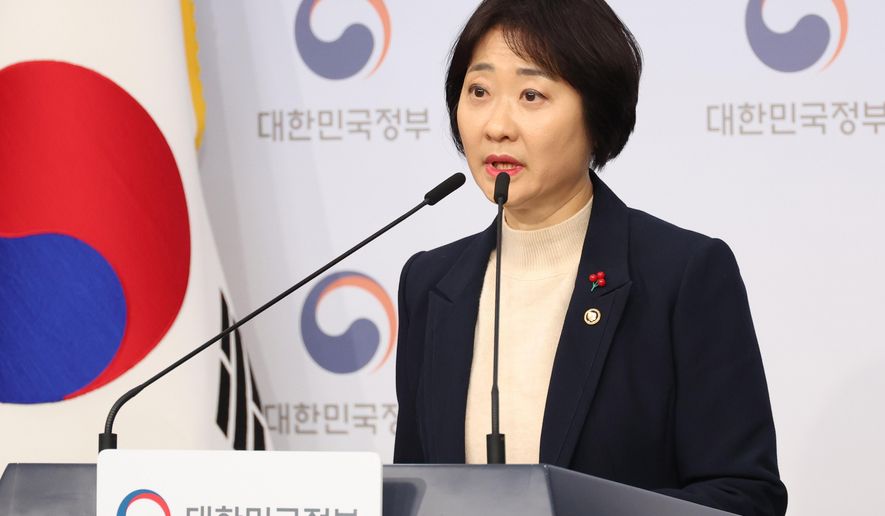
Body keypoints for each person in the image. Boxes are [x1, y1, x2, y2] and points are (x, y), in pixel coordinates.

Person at [393, 0, 787, 514]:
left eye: (532, 94)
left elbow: (743, 495)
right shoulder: (429, 282)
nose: (497, 126)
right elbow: (410, 489)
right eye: (479, 91)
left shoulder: (682, 274)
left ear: (596, 113)